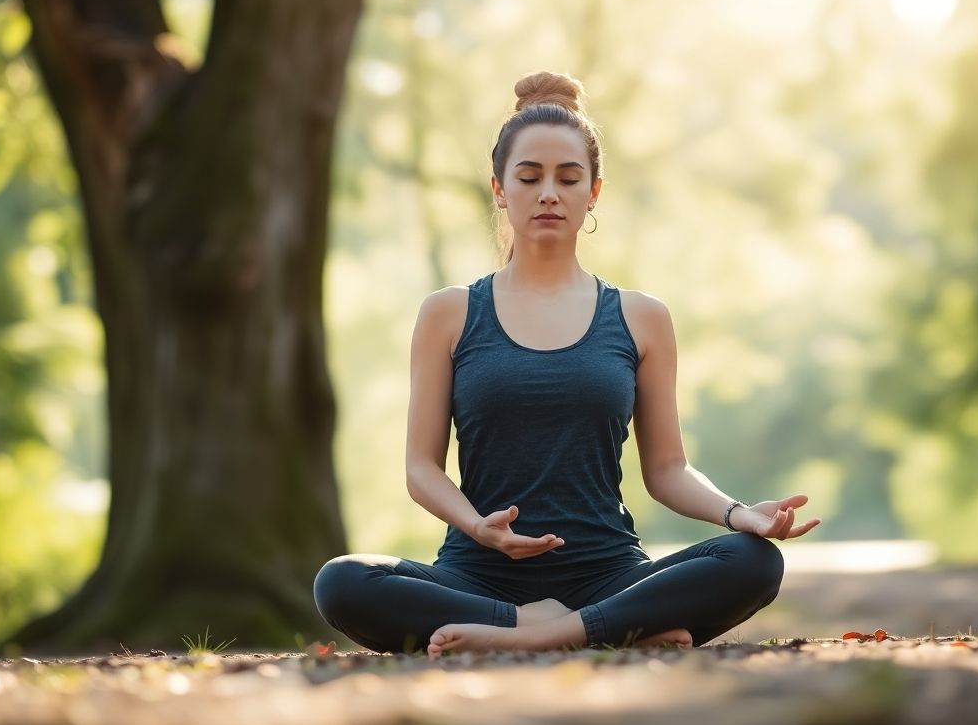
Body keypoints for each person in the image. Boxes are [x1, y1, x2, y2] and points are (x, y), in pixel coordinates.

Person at [313, 71, 819, 658]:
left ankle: (541, 636)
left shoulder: (642, 317)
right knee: (343, 580)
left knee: (751, 561)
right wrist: (479, 528)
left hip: (607, 573)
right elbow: (421, 469)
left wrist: (738, 516)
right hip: (476, 579)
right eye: (529, 177)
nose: (548, 193)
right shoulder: (449, 313)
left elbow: (668, 470)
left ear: (594, 192)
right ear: (500, 189)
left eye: (568, 178)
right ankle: (602, 631)